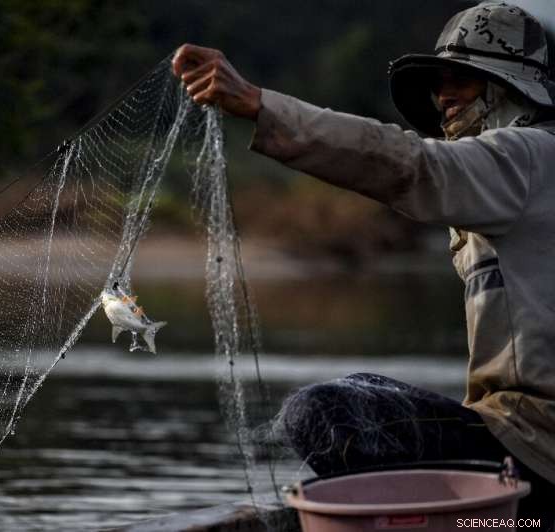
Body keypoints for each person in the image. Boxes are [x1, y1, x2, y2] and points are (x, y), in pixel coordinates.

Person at [173, 2, 555, 528]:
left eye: (461, 82)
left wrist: (260, 106)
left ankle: (487, 518)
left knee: (325, 413)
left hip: (537, 447)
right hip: (516, 440)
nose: (443, 97)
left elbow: (409, 164)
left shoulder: (530, 156)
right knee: (365, 389)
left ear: (509, 91)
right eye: (438, 82)